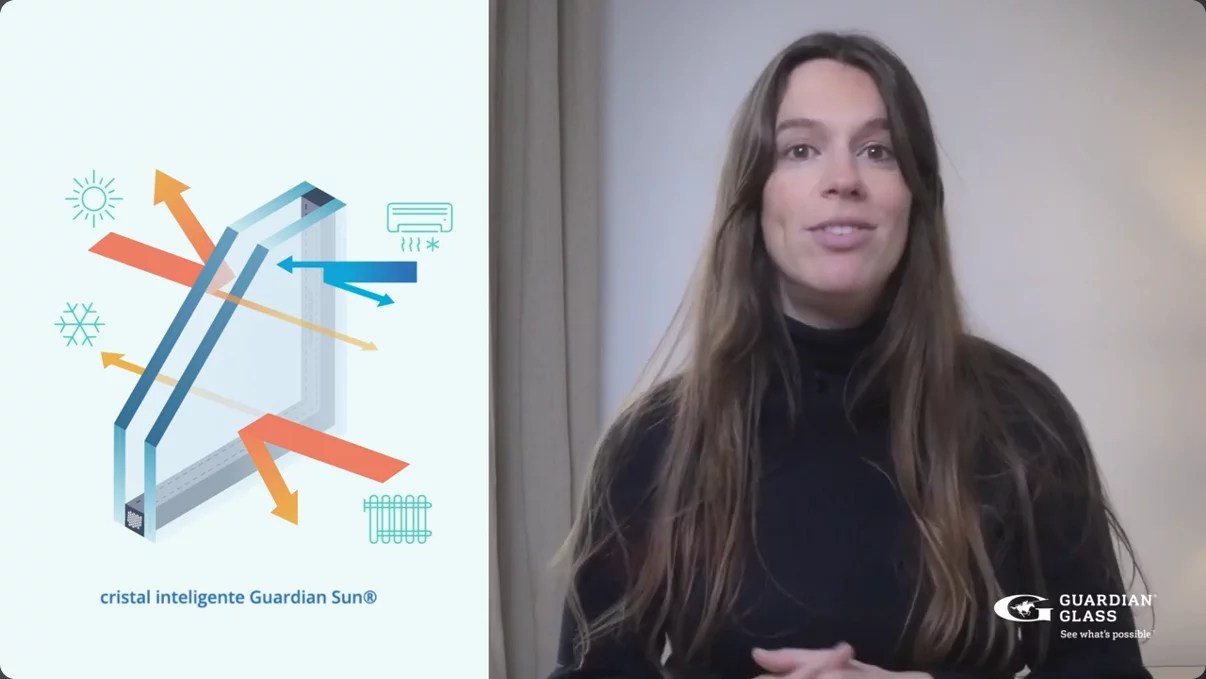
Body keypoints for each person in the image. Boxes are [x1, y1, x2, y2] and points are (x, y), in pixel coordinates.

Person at [547, 31, 1154, 679]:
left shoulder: (1024, 418)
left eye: (877, 151)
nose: (843, 180)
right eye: (800, 149)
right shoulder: (653, 442)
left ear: (916, 194)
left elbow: (1107, 665)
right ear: (755, 197)